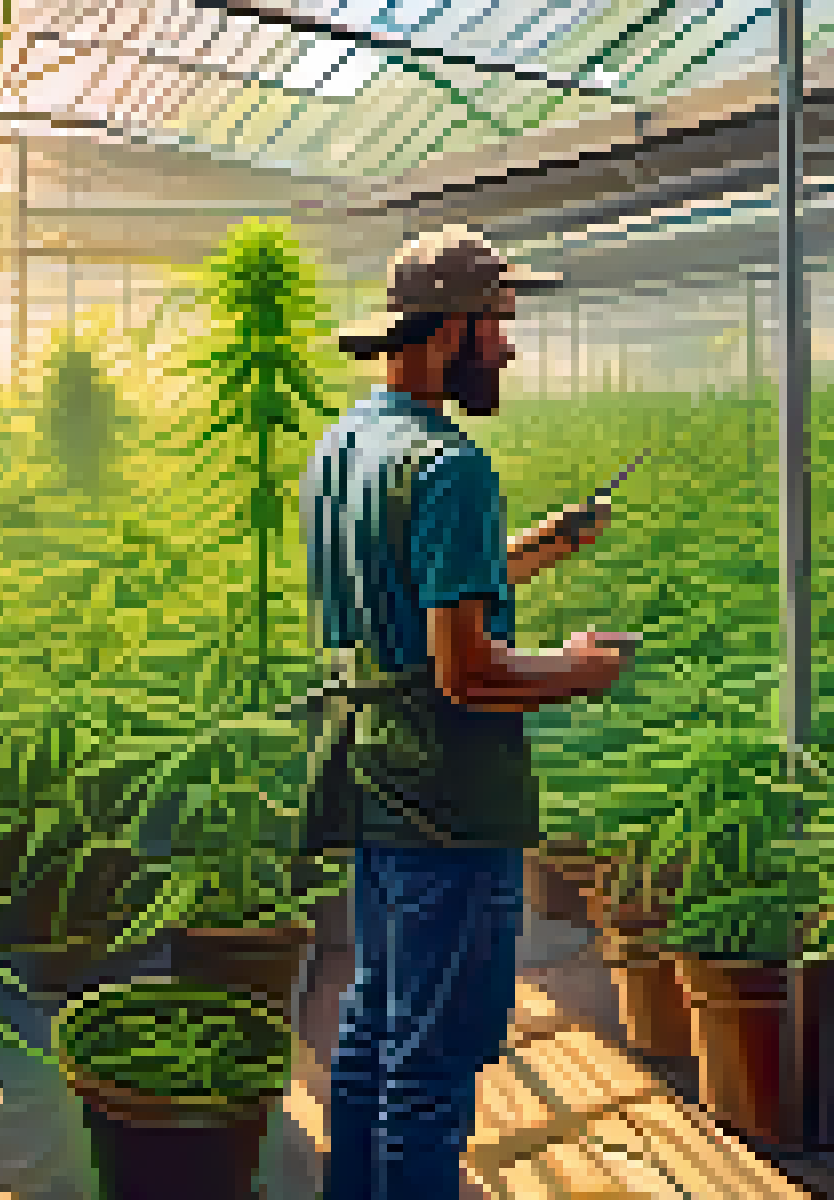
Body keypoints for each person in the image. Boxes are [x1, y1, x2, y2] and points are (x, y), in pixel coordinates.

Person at [296, 225, 635, 1200]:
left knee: (369, 1027)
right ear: (452, 329)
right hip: (451, 804)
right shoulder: (451, 469)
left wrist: (545, 546)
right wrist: (577, 671)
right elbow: (466, 671)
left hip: (377, 777)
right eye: (500, 325)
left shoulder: (348, 444)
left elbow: (408, 592)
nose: (510, 348)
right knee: (433, 1068)